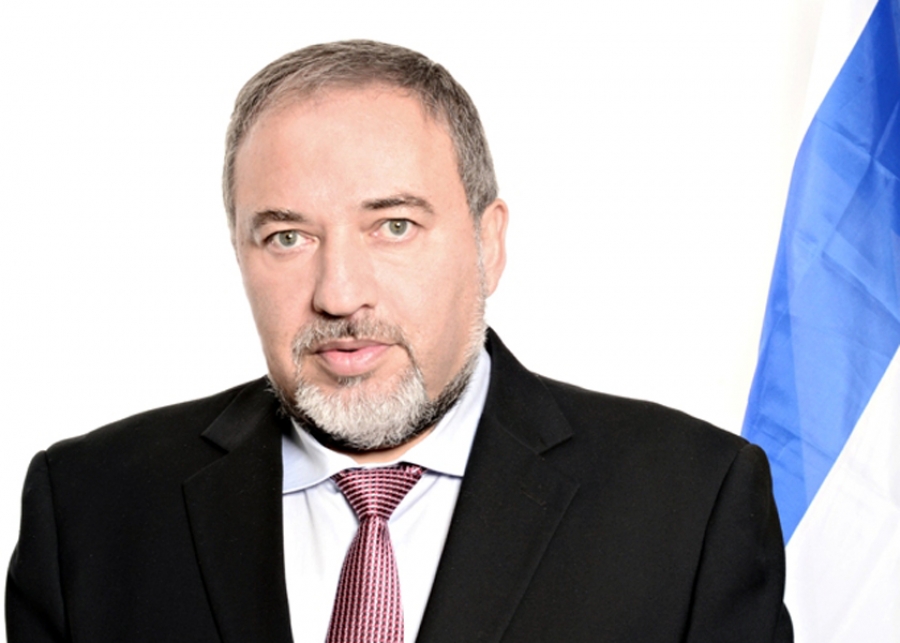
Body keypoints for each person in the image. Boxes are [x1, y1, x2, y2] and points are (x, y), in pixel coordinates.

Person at [6, 40, 793, 643]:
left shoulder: (690, 508)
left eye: (393, 226)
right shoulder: (89, 509)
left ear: (488, 244)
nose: (339, 293)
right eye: (286, 237)